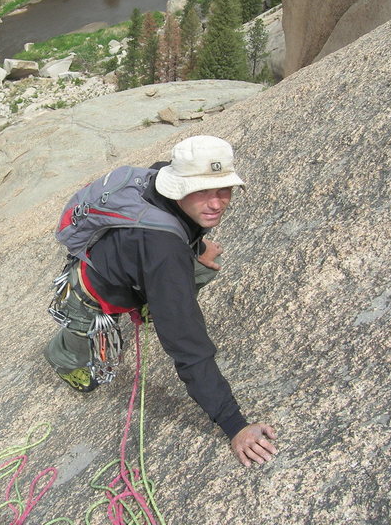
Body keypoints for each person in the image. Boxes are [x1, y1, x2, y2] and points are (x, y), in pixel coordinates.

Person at [44, 135, 278, 467]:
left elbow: (164, 228)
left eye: (222, 190)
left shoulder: (160, 179)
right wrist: (234, 425)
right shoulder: (163, 252)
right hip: (89, 295)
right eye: (202, 191)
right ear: (179, 187)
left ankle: (158, 303)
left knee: (198, 268)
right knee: (86, 378)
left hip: (135, 266)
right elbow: (188, 345)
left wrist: (195, 247)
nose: (216, 204)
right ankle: (65, 351)